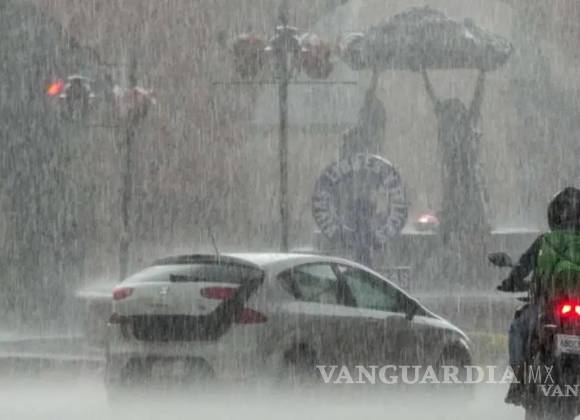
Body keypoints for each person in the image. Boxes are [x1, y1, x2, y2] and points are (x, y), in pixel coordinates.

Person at [498, 187, 580, 405]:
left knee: (518, 329)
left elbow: (521, 269)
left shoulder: (545, 241)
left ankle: (520, 380)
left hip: (547, 308)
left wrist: (510, 282)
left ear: (554, 215)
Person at [421, 69, 490, 246]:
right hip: (462, 170)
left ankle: (465, 223)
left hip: (462, 170)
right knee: (463, 196)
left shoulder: (459, 123)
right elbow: (476, 99)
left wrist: (424, 75)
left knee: (461, 196)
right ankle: (469, 223)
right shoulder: (463, 122)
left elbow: (476, 98)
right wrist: (424, 75)